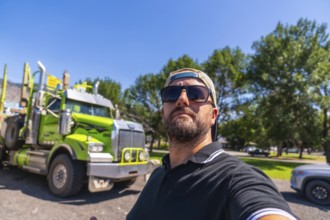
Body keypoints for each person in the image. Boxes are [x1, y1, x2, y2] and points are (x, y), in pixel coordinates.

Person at [127, 68, 297, 220]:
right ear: (163, 111)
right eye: (171, 93)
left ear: (213, 115)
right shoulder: (158, 173)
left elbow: (264, 209)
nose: (182, 99)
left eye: (196, 94)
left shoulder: (234, 178)